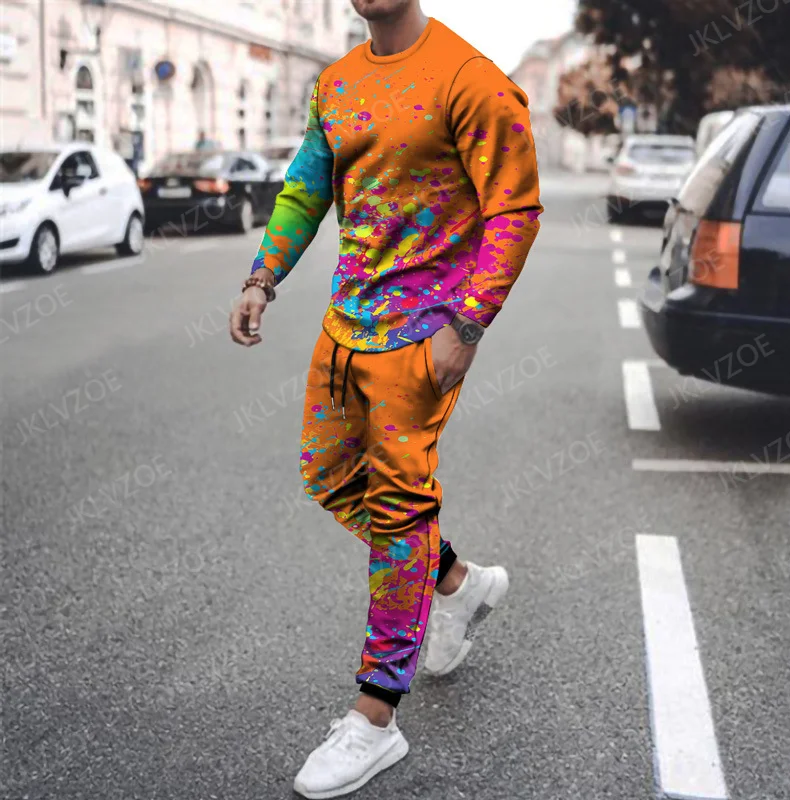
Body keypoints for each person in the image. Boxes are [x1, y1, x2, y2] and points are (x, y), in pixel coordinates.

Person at [229, 1, 542, 796]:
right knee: (330, 478)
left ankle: (375, 716)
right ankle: (457, 582)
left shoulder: (469, 79)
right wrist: (263, 278)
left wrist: (467, 325)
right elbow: (305, 189)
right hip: (343, 329)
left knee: (400, 511)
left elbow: (514, 208)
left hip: (421, 340)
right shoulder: (336, 82)